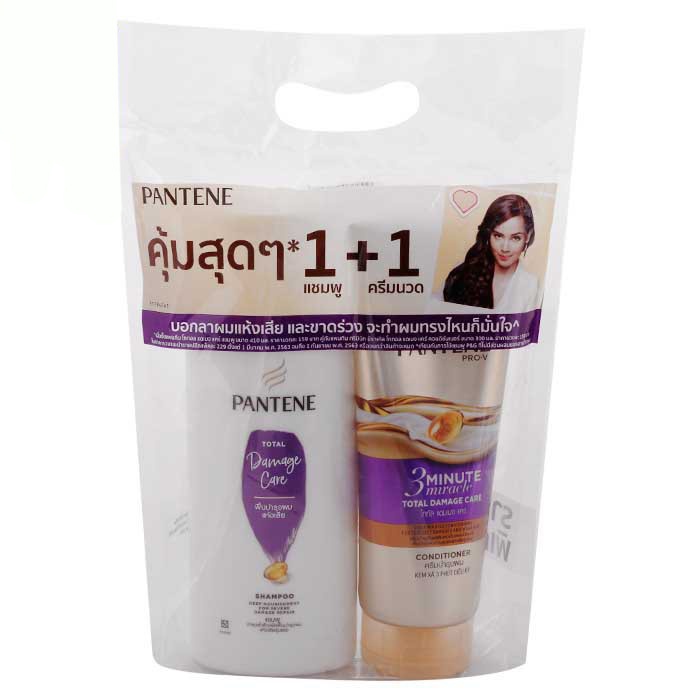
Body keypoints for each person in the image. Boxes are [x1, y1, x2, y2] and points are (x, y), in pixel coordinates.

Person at [443, 194, 539, 312]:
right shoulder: (462, 273)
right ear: (488, 234)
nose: (505, 248)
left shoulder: (532, 287)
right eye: (498, 236)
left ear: (528, 236)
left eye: (515, 238)